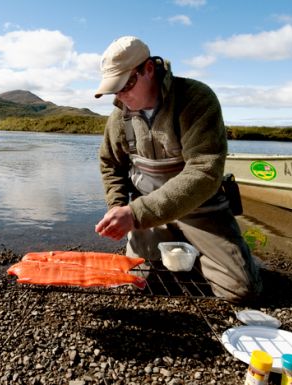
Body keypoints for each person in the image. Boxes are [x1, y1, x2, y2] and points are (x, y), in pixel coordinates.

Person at [93, 36, 262, 303]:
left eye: (126, 85)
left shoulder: (196, 99)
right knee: (137, 281)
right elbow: (110, 164)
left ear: (148, 69)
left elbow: (204, 172)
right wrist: (116, 205)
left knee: (241, 291)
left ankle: (209, 249)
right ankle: (177, 245)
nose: (121, 96)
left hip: (201, 209)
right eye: (115, 90)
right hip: (148, 212)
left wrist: (136, 213)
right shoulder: (118, 117)